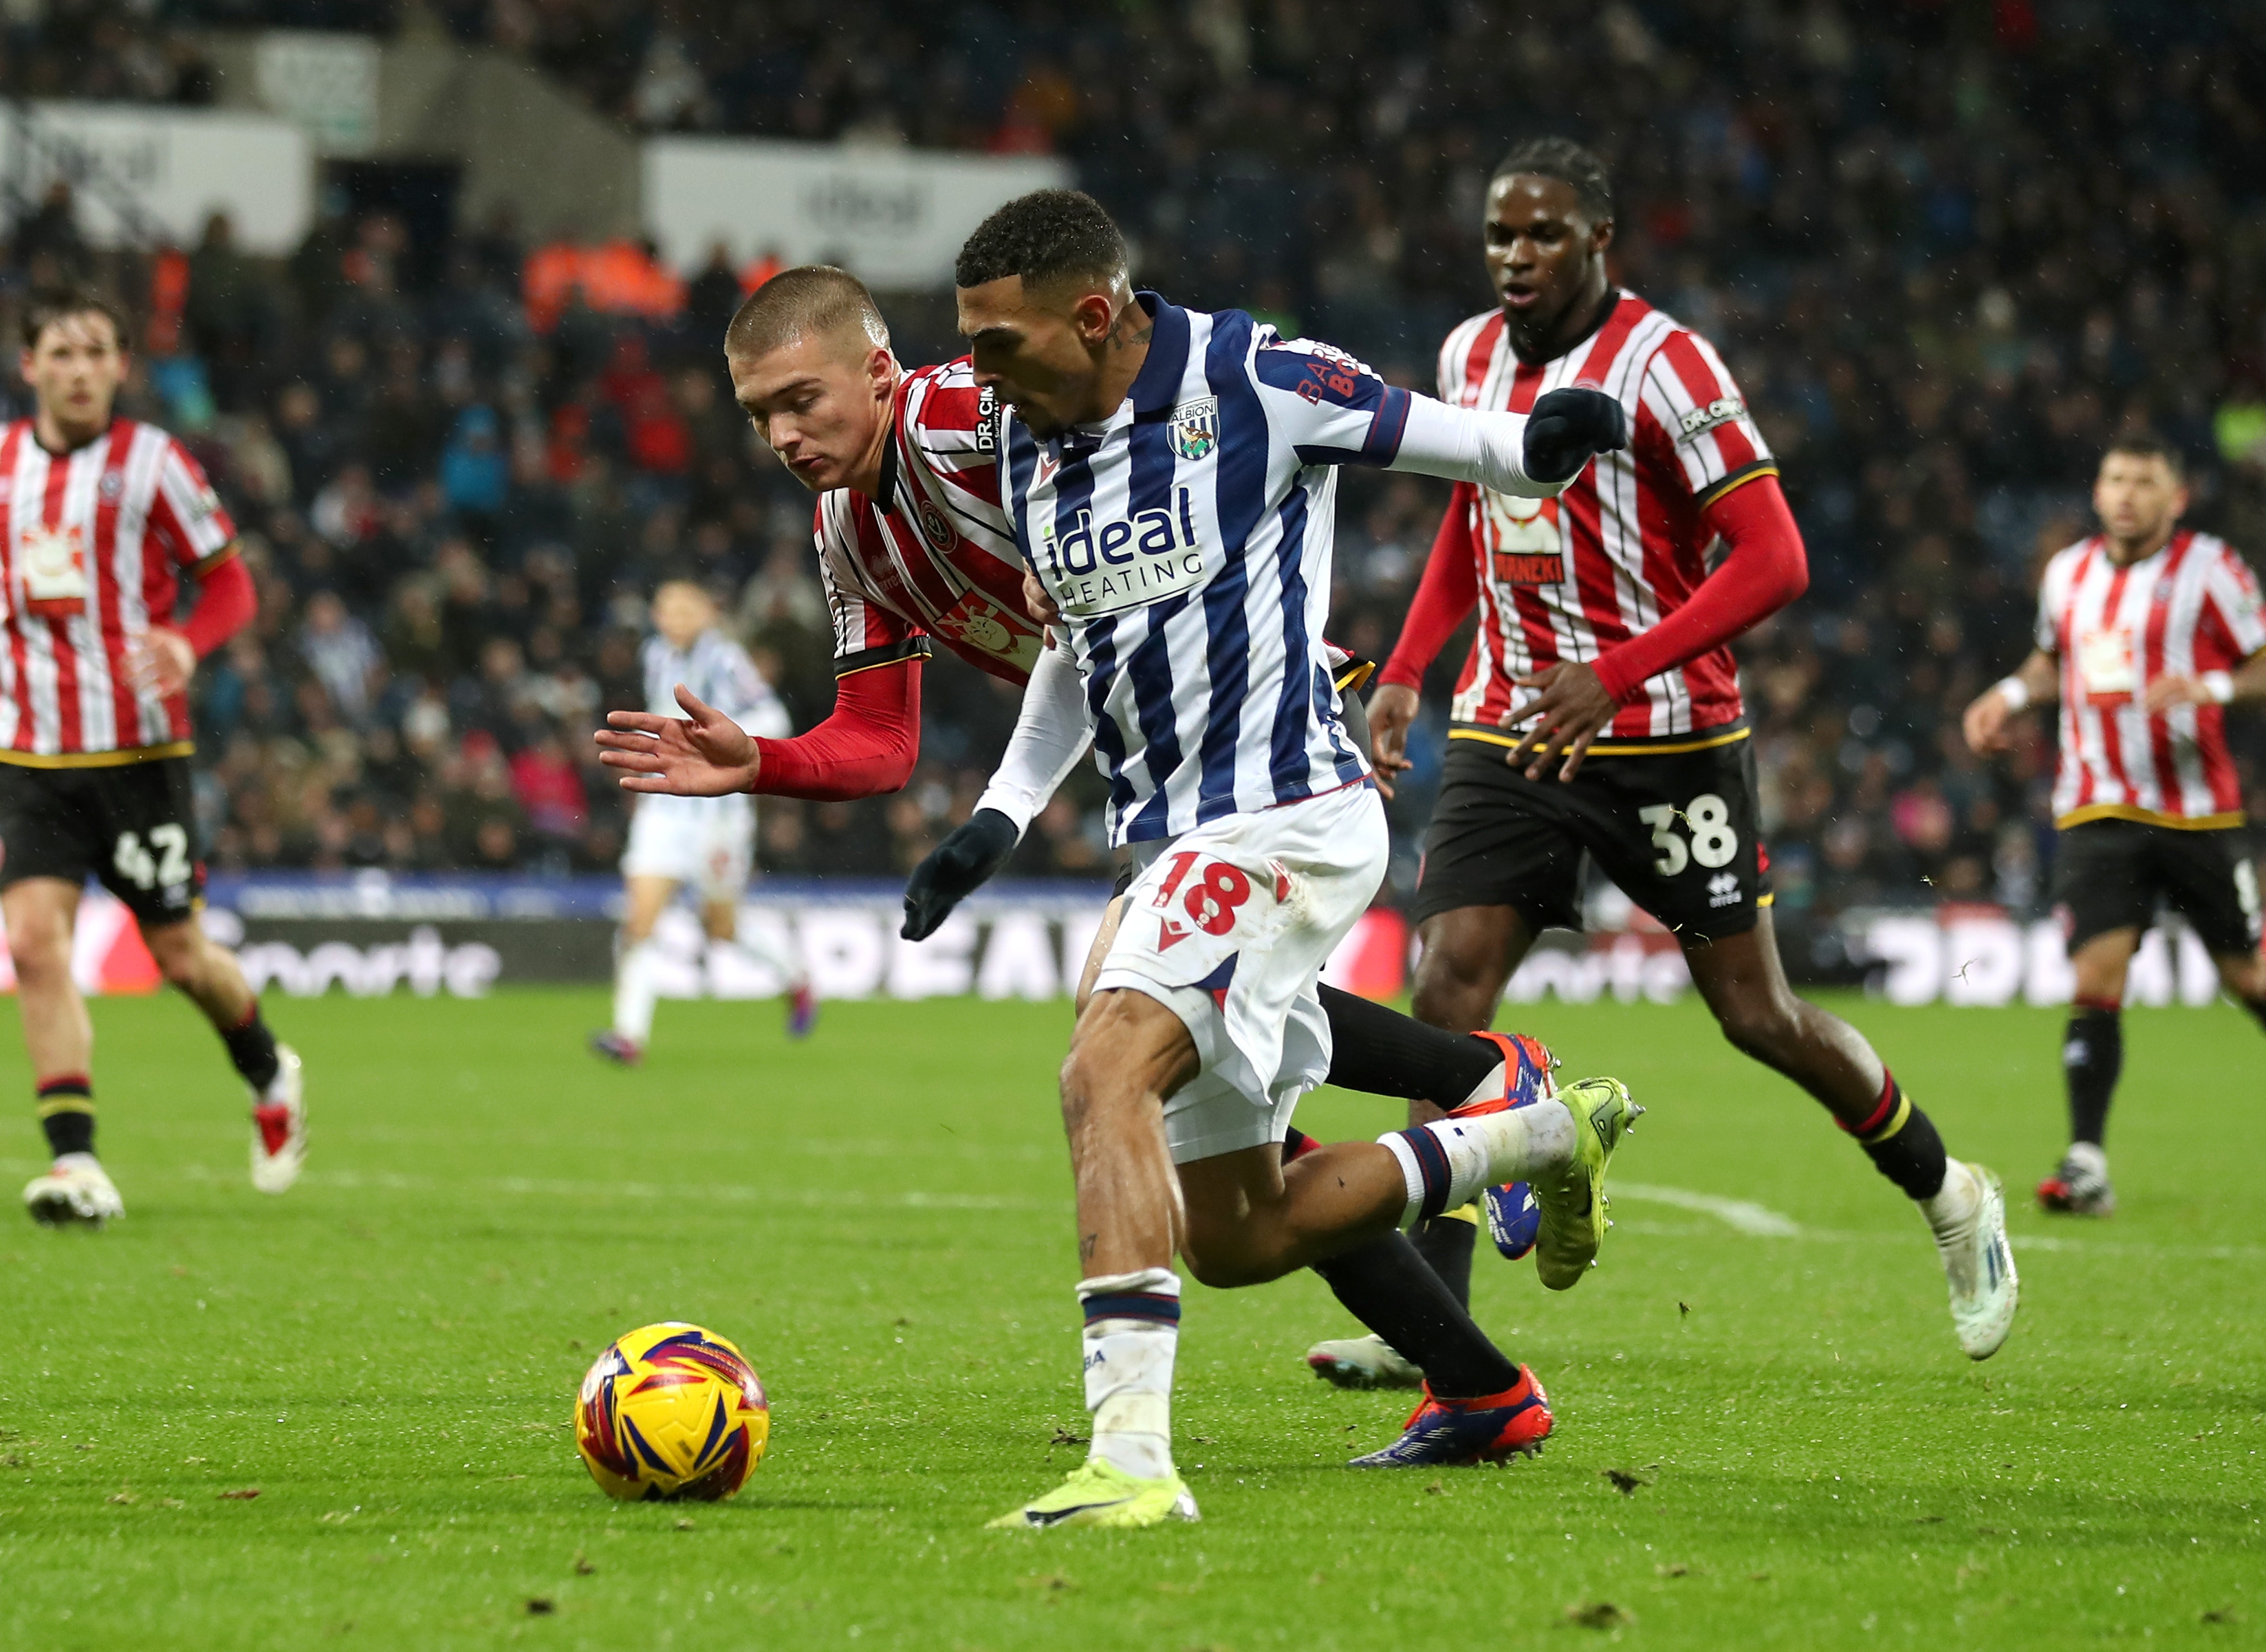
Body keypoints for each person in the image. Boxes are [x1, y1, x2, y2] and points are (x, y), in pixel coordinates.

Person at [603, 191, 1647, 1529]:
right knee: (1235, 1228)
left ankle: (1135, 1461)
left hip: (1272, 786)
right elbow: (913, 716)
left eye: (800, 401)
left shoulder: (984, 415)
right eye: (759, 419)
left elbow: (1398, 438)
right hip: (1158, 804)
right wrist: (788, 764)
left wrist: (1539, 446)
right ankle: (1523, 1190)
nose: (783, 437)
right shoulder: (873, 520)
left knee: (1109, 1060)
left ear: (882, 371)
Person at [1358, 138, 2016, 1364]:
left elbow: (1775, 557)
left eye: (1541, 234)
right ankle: (1428, 1321)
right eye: (1498, 235)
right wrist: (1405, 669)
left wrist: (1613, 671)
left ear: (1599, 239)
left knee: (1755, 1013)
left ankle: (1948, 1192)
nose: (1514, 257)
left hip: (1663, 734)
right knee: (1446, 984)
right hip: (1511, 716)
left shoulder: (1668, 367)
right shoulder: (1464, 354)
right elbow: (1468, 513)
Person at [0, 286, 305, 1226]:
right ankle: (75, 1163)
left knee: (179, 955)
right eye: (60, 353)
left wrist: (190, 645)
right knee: (35, 945)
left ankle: (266, 1066)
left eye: (95, 354)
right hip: (25, 748)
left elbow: (228, 581)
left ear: (121, 368)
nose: (78, 370)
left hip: (136, 752)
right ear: (29, 365)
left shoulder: (154, 464)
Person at [1962, 435, 2266, 1213]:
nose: (2126, 494)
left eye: (2145, 481)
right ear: (2097, 491)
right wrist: (2008, 692)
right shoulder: (2066, 572)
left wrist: (2207, 684)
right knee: (2094, 977)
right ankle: (2086, 1161)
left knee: (2246, 973)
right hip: (2096, 805)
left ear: (2177, 497)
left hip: (2195, 812)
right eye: (2114, 478)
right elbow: (2052, 660)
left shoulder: (2211, 570)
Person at [591, 580, 813, 1065]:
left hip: (719, 815)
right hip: (665, 811)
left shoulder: (727, 660)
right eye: (664, 608)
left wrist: (725, 742)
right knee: (638, 922)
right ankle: (629, 1036)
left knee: (722, 929)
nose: (672, 617)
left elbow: (774, 717)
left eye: (682, 608)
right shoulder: (656, 656)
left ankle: (796, 978)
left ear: (705, 614)